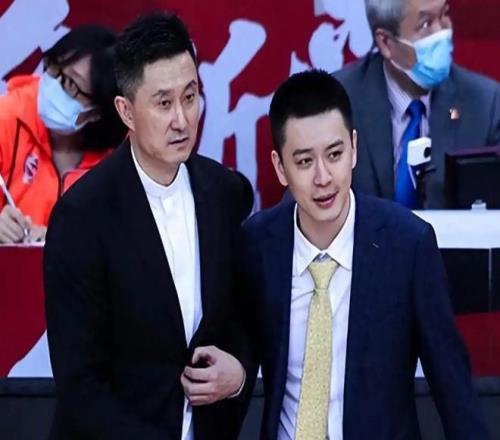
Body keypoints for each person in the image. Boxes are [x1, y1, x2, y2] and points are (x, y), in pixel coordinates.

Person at [239, 70, 489, 439]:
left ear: (354, 147)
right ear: (280, 167)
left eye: (335, 154)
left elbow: (452, 386)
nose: (324, 177)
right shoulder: (258, 244)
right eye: (304, 162)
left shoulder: (407, 245)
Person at [44, 12, 254, 440]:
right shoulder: (82, 216)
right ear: (126, 111)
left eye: (190, 96)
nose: (182, 119)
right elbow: (80, 384)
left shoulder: (225, 192)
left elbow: (241, 316)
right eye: (163, 103)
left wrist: (240, 372)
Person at [333, 0, 500, 208]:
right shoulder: (337, 102)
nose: (442, 33)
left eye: (444, 15)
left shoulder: (485, 104)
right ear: (386, 42)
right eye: (425, 24)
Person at [0, 25, 126, 243]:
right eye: (53, 67)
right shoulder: (7, 118)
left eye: (71, 83)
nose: (53, 85)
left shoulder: (118, 162)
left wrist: (61, 243)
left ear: (95, 112)